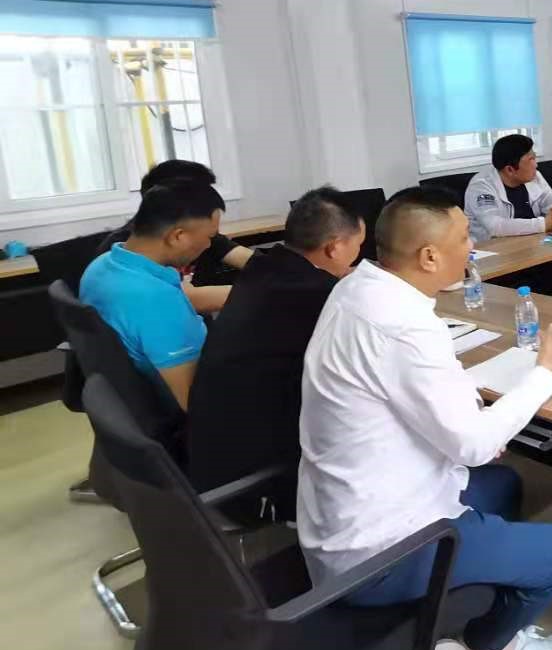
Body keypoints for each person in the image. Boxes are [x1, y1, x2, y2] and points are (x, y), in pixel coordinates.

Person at [299, 187, 552, 650]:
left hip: (344, 522)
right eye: (464, 237)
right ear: (429, 256)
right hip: (380, 554)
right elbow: (474, 445)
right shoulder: (404, 327)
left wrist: (471, 416)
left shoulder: (358, 288)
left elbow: (411, 395)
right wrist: (544, 374)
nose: (472, 245)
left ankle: (443, 629)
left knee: (505, 485)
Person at [186, 188, 366, 504]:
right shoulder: (323, 298)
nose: (358, 256)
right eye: (358, 246)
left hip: (210, 457)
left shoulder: (266, 268)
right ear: (335, 247)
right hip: (257, 482)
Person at [79, 180, 224, 410]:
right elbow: (199, 406)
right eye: (210, 236)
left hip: (134, 399)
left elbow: (184, 298)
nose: (209, 245)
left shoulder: (103, 265)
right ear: (178, 236)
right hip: (181, 406)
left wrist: (255, 294)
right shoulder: (157, 299)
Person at [98, 159, 252, 314]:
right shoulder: (125, 252)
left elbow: (247, 259)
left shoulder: (201, 234)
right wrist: (256, 291)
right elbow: (174, 299)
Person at [465, 134, 552, 240]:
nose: (536, 165)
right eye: (531, 159)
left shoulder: (534, 177)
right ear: (510, 170)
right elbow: (494, 226)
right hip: (492, 249)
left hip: (531, 242)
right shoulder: (481, 186)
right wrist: (545, 224)